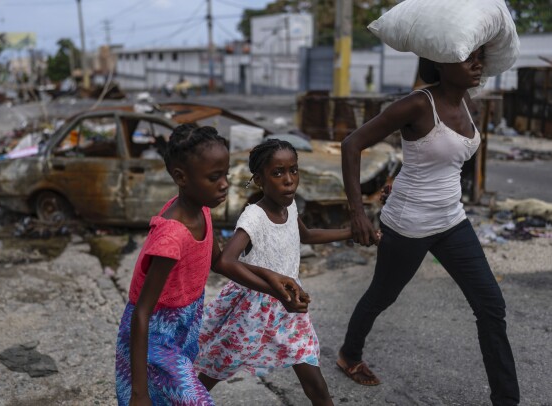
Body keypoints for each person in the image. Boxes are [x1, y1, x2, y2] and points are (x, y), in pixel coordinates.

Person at [338, 48, 520, 405]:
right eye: (468, 57)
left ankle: (506, 400)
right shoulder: (417, 105)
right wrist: (358, 212)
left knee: (491, 306)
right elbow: (351, 144)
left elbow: (441, 158)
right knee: (382, 295)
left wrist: (398, 175)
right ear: (439, 61)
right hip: (409, 224)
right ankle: (349, 354)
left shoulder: (470, 102)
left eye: (479, 56)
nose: (477, 63)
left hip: (451, 220)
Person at [115, 125, 307, 406]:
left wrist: (273, 281)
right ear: (181, 177)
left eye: (226, 174)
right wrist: (138, 392)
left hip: (185, 326)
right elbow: (142, 312)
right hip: (156, 339)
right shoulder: (171, 237)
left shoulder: (202, 210)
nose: (225, 184)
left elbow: (218, 262)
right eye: (214, 177)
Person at [196, 138, 355, 406]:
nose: (289, 180)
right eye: (278, 173)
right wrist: (272, 288)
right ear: (259, 180)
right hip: (251, 310)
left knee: (314, 380)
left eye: (293, 170)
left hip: (289, 307)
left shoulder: (290, 206)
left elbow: (306, 234)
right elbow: (225, 261)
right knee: (212, 372)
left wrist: (352, 232)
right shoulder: (254, 217)